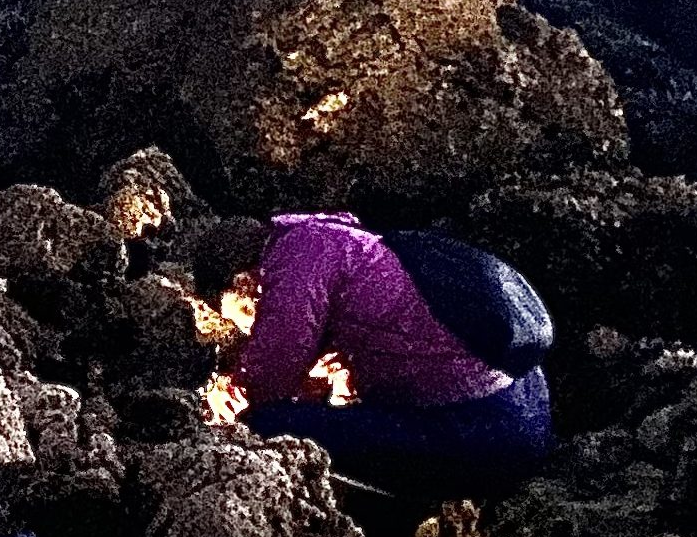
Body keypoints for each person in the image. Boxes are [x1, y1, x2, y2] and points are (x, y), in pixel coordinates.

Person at [203, 209, 553, 492]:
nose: (247, 331)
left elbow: (268, 377)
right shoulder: (338, 238)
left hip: (482, 432)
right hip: (530, 406)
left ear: (243, 282)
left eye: (236, 316)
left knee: (267, 427)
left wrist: (230, 397)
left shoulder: (298, 258)